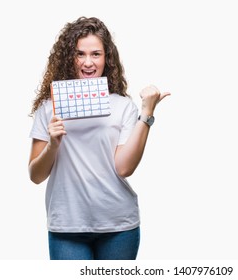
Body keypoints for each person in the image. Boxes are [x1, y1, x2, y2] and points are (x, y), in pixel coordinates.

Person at [28, 16, 170, 260]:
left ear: (107, 59)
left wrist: (146, 114)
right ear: (67, 58)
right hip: (67, 226)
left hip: (118, 226)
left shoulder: (123, 106)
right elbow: (35, 176)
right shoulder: (48, 108)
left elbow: (124, 167)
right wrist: (53, 144)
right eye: (79, 54)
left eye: (96, 54)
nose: (88, 62)